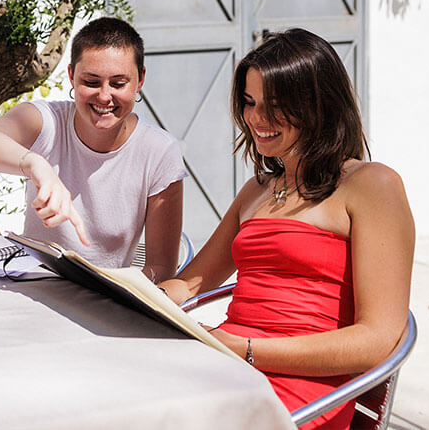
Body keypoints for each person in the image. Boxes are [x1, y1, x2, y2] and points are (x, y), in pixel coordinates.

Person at [158, 28, 414, 429]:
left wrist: (247, 350)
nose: (256, 118)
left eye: (275, 105)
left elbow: (377, 341)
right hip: (227, 365)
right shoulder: (258, 189)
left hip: (301, 389)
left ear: (318, 105)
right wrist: (124, 294)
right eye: (249, 102)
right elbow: (189, 284)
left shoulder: (371, 185)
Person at [0, 17, 187, 280]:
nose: (104, 96)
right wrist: (37, 165)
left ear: (140, 80)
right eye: (91, 82)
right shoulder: (47, 122)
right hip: (33, 288)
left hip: (105, 301)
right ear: (71, 76)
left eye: (118, 83)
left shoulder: (159, 152)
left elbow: (161, 271)